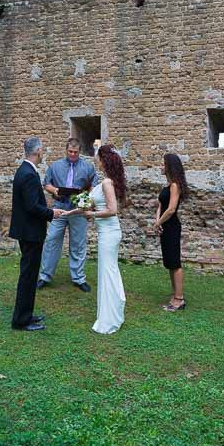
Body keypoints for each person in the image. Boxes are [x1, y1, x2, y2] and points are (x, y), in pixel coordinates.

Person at [10, 136, 66, 331]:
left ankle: (27, 314)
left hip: (30, 231)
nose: (43, 153)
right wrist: (52, 213)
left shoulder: (26, 171)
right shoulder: (27, 173)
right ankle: (20, 320)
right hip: (29, 232)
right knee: (28, 275)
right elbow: (32, 206)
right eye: (42, 149)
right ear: (36, 151)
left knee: (31, 274)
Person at [74, 143, 126, 335]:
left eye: (98, 157)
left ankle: (110, 318)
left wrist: (91, 214)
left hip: (109, 233)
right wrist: (68, 212)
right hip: (107, 233)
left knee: (108, 272)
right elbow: (88, 205)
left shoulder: (106, 183)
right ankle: (112, 312)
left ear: (104, 160)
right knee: (108, 271)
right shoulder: (106, 181)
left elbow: (113, 210)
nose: (96, 160)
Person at [37, 138, 97, 292]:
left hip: (78, 210)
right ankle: (44, 277)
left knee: (78, 244)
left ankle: (78, 278)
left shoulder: (88, 167)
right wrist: (55, 190)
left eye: (75, 152)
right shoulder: (55, 166)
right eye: (70, 151)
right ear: (66, 150)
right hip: (59, 209)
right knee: (51, 241)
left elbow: (93, 187)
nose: (72, 154)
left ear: (80, 152)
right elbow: (47, 184)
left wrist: (84, 198)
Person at [154, 153, 189, 312]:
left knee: (175, 262)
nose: (161, 166)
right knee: (169, 262)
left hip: (172, 226)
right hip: (164, 226)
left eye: (163, 164)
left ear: (169, 166)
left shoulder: (175, 185)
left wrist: (159, 222)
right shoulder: (167, 186)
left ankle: (180, 299)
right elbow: (160, 206)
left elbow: (171, 209)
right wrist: (157, 222)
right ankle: (175, 294)